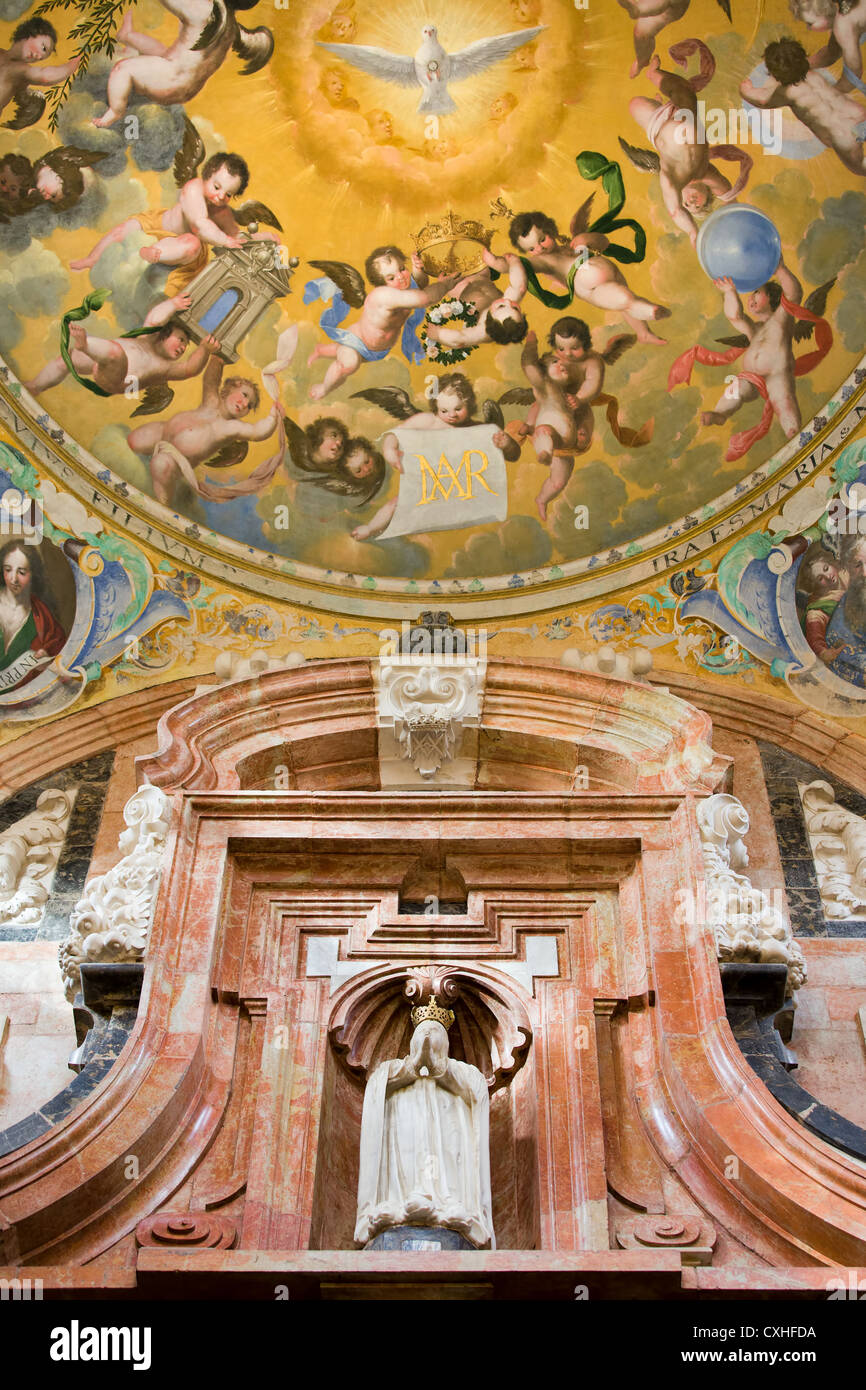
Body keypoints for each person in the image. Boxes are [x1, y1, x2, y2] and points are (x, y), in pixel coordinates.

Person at [354, 998, 493, 1249]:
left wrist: (441, 1069)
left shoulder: (462, 1073)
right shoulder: (392, 1071)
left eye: (436, 1031)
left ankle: (449, 1204)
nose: (429, 1035)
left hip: (449, 1144)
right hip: (404, 1138)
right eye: (423, 1031)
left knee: (446, 1162)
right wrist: (412, 1067)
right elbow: (377, 1088)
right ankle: (399, 1202)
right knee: (407, 1162)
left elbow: (477, 1090)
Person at [623, 43, 752, 244]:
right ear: (707, 191)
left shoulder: (671, 179)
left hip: (659, 124)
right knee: (684, 91)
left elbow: (675, 211)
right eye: (699, 205)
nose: (691, 204)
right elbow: (728, 199)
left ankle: (658, 102)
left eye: (689, 206)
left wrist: (692, 231)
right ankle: (653, 74)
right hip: (684, 113)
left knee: (635, 104)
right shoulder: (706, 172)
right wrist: (738, 226)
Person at [306, 245, 463, 398]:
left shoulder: (402, 289)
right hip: (357, 340)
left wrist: (417, 270)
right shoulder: (383, 296)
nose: (401, 277)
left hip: (378, 350)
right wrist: (444, 285)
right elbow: (424, 298)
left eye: (402, 269)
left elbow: (420, 285)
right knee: (348, 364)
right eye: (391, 277)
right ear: (381, 283)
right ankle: (324, 388)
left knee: (342, 352)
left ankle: (320, 350)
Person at [127, 355, 284, 504]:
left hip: (177, 459)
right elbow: (211, 380)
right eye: (244, 395)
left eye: (249, 405)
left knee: (161, 464)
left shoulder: (232, 427)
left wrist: (272, 417)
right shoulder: (211, 400)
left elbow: (258, 431)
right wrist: (218, 360)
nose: (244, 403)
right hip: (162, 432)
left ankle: (162, 505)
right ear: (231, 387)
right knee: (134, 440)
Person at [92, 0, 274, 128]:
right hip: (188, 90)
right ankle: (127, 37)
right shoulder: (233, 28)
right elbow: (254, 44)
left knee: (122, 69)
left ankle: (115, 111)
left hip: (169, 81)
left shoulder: (206, 11)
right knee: (163, 52)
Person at [741, 36, 866, 175]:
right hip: (858, 113)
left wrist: (746, 90)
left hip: (843, 135)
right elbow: (823, 55)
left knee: (860, 167)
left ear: (774, 73)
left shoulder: (787, 92)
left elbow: (762, 101)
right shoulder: (812, 73)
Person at [0, 541, 66, 691]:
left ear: (33, 574)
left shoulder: (42, 618)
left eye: (21, 572)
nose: (13, 579)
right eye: (8, 570)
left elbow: (58, 651)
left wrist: (45, 659)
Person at [0, 19, 80, 128]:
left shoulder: (22, 70)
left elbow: (45, 76)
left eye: (42, 57)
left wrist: (74, 64)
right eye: (43, 48)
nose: (38, 57)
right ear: (32, 32)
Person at [799, 549, 848, 660]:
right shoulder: (816, 611)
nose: (827, 576)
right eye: (820, 578)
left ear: (831, 563)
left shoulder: (846, 574)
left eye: (826, 568)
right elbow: (814, 639)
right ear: (815, 585)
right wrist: (824, 653)